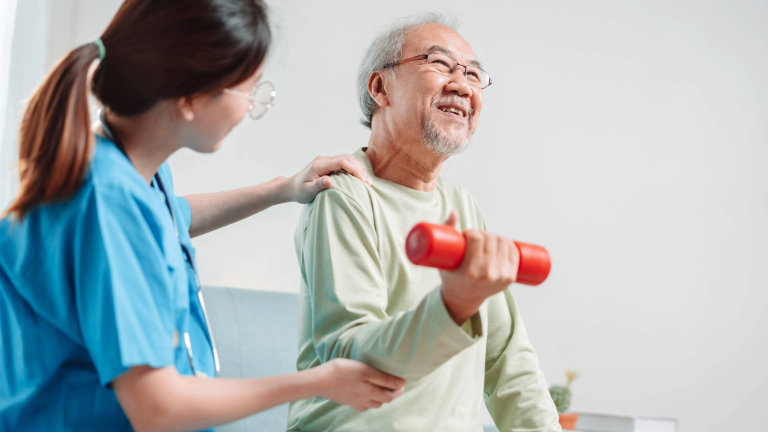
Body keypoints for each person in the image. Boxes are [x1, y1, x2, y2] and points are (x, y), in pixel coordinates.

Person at [0, 1, 405, 431]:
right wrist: (317, 381)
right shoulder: (106, 204)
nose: (251, 104)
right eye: (248, 89)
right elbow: (157, 409)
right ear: (191, 96)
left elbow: (173, 216)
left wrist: (282, 189)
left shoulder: (126, 170)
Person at [288, 12, 562, 432]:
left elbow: (508, 361)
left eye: (473, 73)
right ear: (380, 87)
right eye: (439, 64)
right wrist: (453, 307)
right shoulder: (343, 195)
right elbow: (351, 354)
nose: (463, 84)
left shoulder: (462, 206)